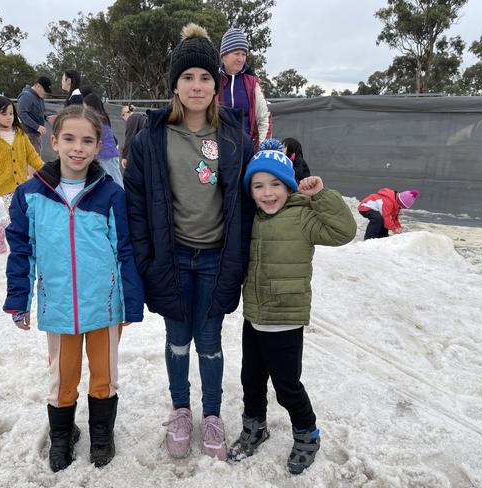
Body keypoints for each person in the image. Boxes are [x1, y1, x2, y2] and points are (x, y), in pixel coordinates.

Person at [124, 23, 255, 461]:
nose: (197, 86)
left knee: (211, 338)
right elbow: (137, 205)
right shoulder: (151, 138)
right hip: (174, 257)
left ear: (216, 85)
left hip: (218, 256)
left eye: (205, 78)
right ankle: (181, 409)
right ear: (174, 86)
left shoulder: (235, 137)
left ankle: (212, 413)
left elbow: (251, 199)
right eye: (187, 78)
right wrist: (147, 259)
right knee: (178, 336)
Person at [3, 105, 144, 472]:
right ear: (54, 142)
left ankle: (101, 433)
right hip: (60, 308)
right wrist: (20, 301)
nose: (77, 148)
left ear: (99, 146)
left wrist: (131, 300)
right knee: (62, 378)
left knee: (104, 377)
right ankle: (62, 435)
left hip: (105, 307)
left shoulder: (110, 195)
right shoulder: (31, 195)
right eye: (69, 139)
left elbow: (125, 250)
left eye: (87, 140)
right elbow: (22, 251)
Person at [228, 147, 356, 474]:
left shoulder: (303, 217)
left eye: (275, 185)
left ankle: (306, 432)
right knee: (251, 380)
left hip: (285, 318)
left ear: (288, 186)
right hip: (254, 316)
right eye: (258, 186)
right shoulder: (251, 219)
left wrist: (321, 196)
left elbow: (345, 231)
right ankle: (254, 427)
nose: (268, 193)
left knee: (287, 385)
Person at [0, 96, 44, 253]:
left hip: (23, 182)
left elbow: (31, 155)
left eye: (11, 113)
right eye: (4, 114)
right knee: (16, 214)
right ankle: (18, 242)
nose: (9, 117)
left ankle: (2, 230)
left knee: (26, 211)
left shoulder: (19, 133)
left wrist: (44, 170)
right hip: (5, 184)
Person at [216, 28, 272, 151]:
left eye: (244, 54)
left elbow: (264, 119)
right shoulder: (212, 81)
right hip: (217, 153)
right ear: (223, 55)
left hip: (247, 152)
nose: (241, 59)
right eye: (236, 53)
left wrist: (262, 151)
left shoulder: (252, 83)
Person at [83, 92, 124, 187]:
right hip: (105, 155)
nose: (84, 110)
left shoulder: (98, 120)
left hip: (107, 156)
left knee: (116, 182)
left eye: (86, 107)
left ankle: (122, 199)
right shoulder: (101, 118)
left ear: (91, 107)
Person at [17, 76, 55, 155]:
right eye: (45, 90)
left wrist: (46, 117)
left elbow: (37, 111)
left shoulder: (39, 97)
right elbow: (22, 113)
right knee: (34, 161)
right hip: (29, 134)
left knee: (35, 160)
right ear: (38, 86)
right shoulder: (26, 96)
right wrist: (37, 126)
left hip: (35, 134)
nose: (45, 93)